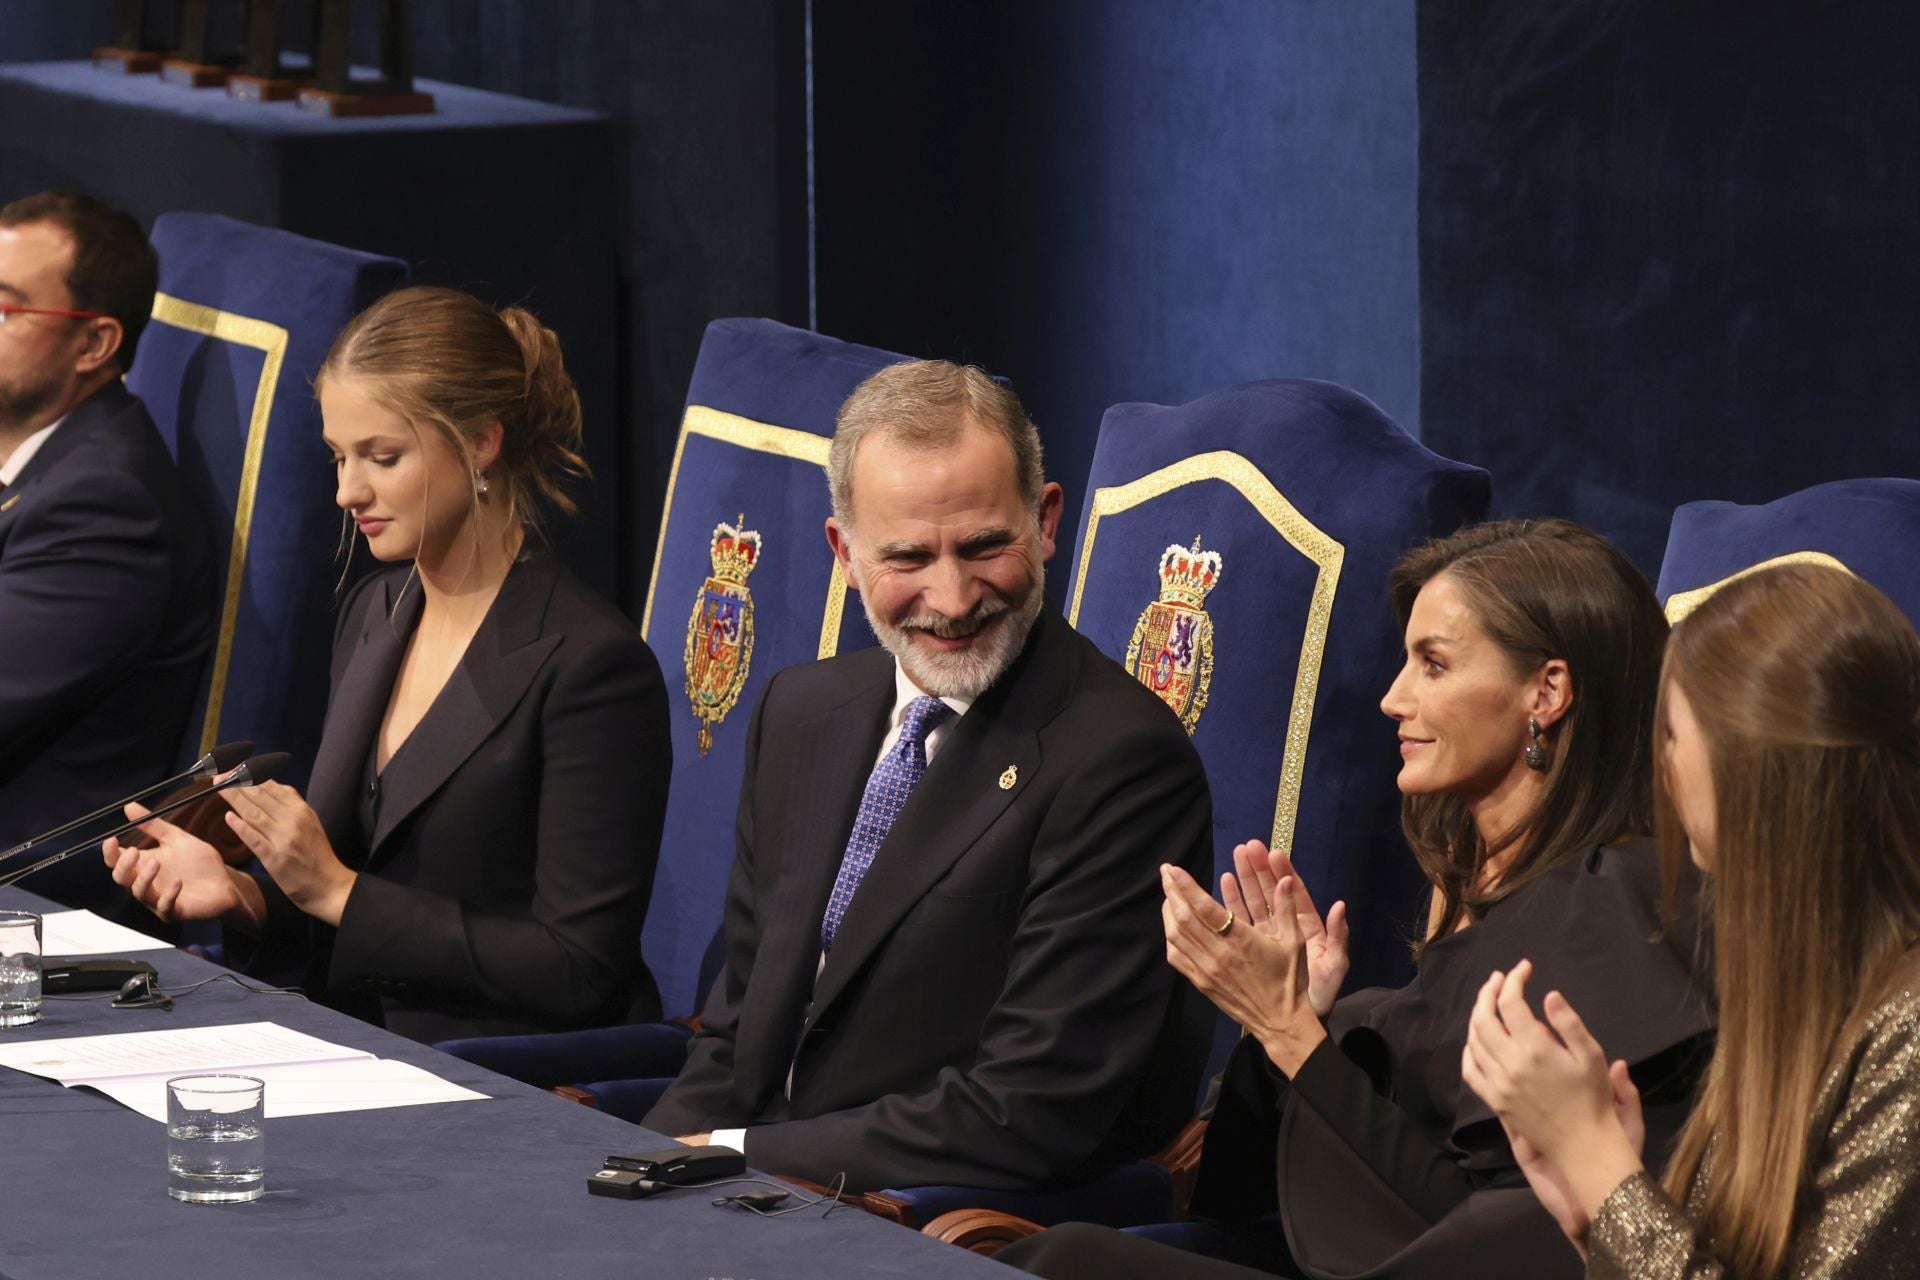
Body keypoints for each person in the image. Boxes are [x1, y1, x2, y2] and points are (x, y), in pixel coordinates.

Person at [1000, 519, 1715, 1279]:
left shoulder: (1619, 912)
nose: (1391, 698)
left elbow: (1488, 1239)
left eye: (1433, 665)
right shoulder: (1487, 882)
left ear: (1547, 690)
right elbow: (1262, 1194)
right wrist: (1300, 1015)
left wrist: (1291, 1034)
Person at [643, 359, 1213, 1190]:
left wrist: (727, 1159)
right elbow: (736, 1037)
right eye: (908, 556)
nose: (951, 598)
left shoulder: (1122, 762)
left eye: (985, 547)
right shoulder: (799, 712)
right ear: (844, 551)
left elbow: (1025, 1110)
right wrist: (637, 1176)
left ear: (1046, 520)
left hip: (919, 1227)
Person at [104, 285, 671, 1044]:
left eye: (383, 457)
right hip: (348, 1043)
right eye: (340, 456)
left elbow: (577, 968)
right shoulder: (375, 611)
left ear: (480, 443)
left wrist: (336, 891)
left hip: (496, 1072)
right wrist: (245, 895)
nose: (347, 491)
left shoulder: (591, 665)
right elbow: (350, 913)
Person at [1463, 563, 1920, 1279]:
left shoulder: (1909, 1031)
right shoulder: (1793, 985)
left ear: (1750, 769)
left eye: (1674, 735)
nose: (1662, 766)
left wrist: (1599, 1161)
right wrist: (1597, 1220)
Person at [0, 192, 214, 910]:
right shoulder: (34, 453)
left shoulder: (107, 504)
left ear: (93, 344)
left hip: (31, 899)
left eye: (6, 307)